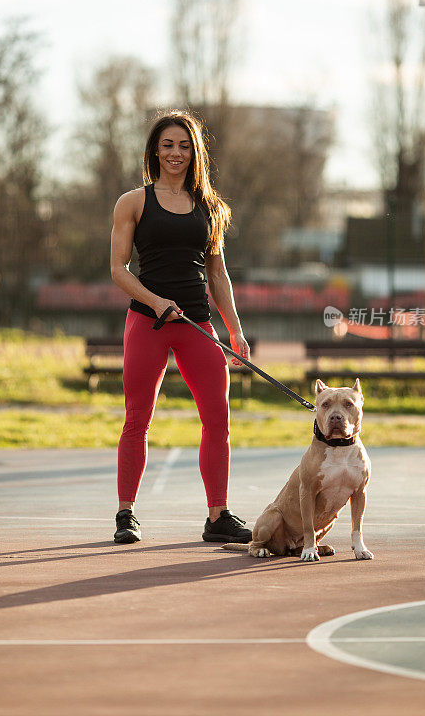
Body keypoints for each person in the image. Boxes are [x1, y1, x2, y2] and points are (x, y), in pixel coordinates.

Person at [109, 110, 252, 545]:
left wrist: (235, 330)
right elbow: (118, 269)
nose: (176, 153)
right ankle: (126, 514)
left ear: (195, 152)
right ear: (155, 149)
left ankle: (217, 515)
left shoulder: (210, 207)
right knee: (138, 418)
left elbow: (218, 275)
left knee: (218, 417)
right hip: (147, 323)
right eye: (168, 144)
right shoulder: (133, 202)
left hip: (197, 325)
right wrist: (155, 302)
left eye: (184, 145)